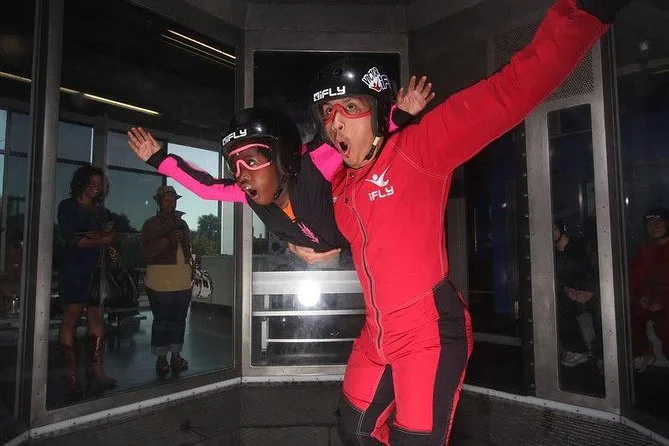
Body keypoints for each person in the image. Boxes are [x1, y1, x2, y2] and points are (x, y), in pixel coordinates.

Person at [288, 1, 629, 444]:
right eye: (327, 113)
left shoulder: (419, 148)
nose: (335, 123)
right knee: (354, 429)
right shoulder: (340, 184)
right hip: (376, 333)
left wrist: (582, 15)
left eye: (349, 107)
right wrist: (312, 244)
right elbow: (320, 226)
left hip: (428, 333)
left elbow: (511, 89)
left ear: (377, 109)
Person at [126, 79, 434, 255]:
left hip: (384, 250)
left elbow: (357, 134)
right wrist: (159, 160)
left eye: (250, 161)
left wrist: (400, 113)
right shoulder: (249, 195)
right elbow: (206, 188)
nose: (241, 175)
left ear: (282, 157)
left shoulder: (314, 164)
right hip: (342, 263)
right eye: (234, 165)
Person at [57, 165, 117, 398]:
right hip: (74, 269)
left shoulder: (102, 212)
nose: (96, 187)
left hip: (97, 270)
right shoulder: (68, 206)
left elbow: (111, 237)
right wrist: (100, 238)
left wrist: (97, 237)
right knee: (71, 317)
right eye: (92, 182)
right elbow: (74, 241)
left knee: (96, 318)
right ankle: (70, 377)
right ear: (81, 182)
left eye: (99, 183)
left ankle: (97, 372)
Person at [140, 185, 193, 376]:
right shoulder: (150, 224)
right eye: (166, 199)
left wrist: (191, 270)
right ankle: (161, 359)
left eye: (173, 199)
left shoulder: (183, 224)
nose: (170, 202)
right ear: (159, 201)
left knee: (179, 320)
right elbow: (146, 252)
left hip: (182, 280)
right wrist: (167, 239)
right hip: (159, 281)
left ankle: (176, 356)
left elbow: (188, 250)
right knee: (161, 321)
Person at [553, 219, 601, 368]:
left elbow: (602, 271)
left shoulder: (585, 246)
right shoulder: (551, 254)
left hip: (596, 293)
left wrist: (591, 291)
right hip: (572, 296)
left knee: (605, 307)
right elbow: (553, 279)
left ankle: (603, 354)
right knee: (555, 305)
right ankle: (577, 350)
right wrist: (566, 289)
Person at [630, 208, 669, 372]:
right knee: (629, 310)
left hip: (665, 300)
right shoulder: (645, 249)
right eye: (650, 224)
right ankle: (642, 354)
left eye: (659, 223)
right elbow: (637, 279)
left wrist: (663, 301)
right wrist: (642, 296)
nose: (654, 228)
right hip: (652, 298)